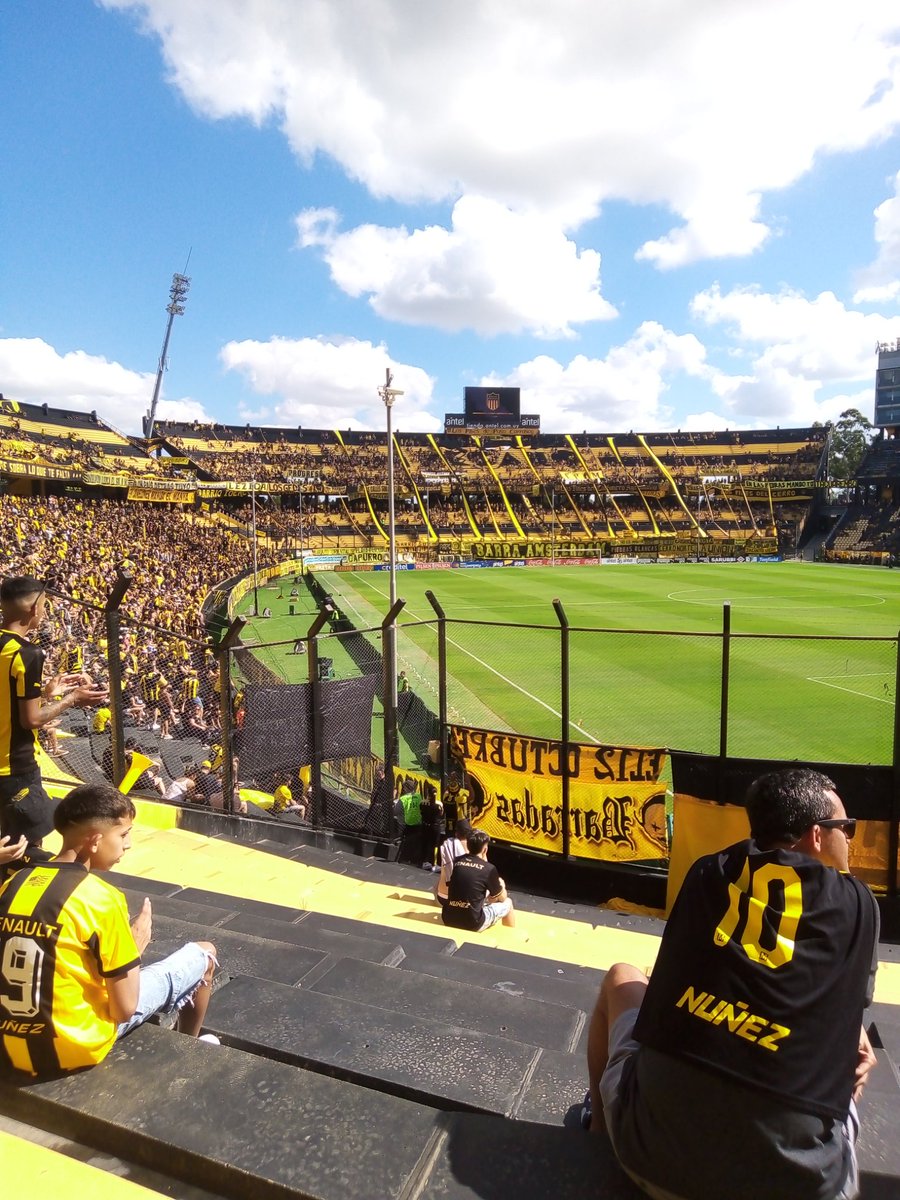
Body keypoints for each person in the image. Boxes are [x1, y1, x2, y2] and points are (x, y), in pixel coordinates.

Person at [583, 768, 879, 1200]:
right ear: (817, 836)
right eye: (845, 828)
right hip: (800, 1189)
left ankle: (597, 1125)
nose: (848, 838)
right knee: (855, 1056)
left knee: (622, 976)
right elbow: (846, 1003)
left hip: (648, 1158)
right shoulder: (859, 905)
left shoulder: (706, 873)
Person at [0, 782, 218, 1077]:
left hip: (7, 1044)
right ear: (94, 840)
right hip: (75, 1046)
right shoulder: (101, 899)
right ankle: (188, 1049)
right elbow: (124, 1009)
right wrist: (135, 948)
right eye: (124, 834)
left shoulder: (14, 883)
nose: (127, 844)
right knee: (204, 953)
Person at [0, 576, 108, 856]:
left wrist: (47, 695)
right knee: (24, 847)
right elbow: (32, 721)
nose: (46, 612)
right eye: (45, 605)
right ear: (34, 608)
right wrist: (72, 699)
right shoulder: (27, 653)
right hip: (15, 768)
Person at [441, 829, 515, 932]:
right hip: (473, 923)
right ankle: (510, 940)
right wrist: (501, 885)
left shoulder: (457, 861)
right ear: (485, 850)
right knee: (508, 903)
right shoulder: (488, 869)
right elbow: (501, 898)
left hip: (448, 918)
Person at [435, 817, 471, 906]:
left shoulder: (447, 845)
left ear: (456, 833)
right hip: (464, 902)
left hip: (442, 898)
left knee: (441, 877)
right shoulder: (475, 847)